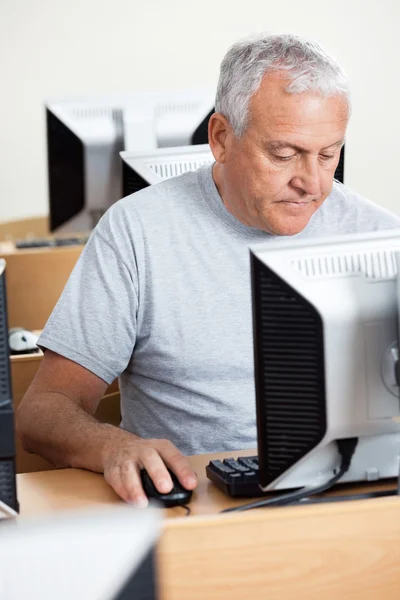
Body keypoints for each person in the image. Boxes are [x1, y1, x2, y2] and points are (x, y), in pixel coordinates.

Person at [17, 33, 400, 507]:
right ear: (220, 138)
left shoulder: (382, 237)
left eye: (328, 155)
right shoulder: (138, 230)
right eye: (283, 155)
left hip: (355, 502)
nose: (312, 183)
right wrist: (113, 446)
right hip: (196, 508)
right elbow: (41, 412)